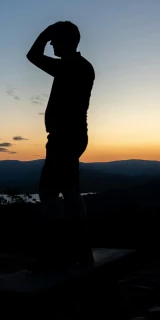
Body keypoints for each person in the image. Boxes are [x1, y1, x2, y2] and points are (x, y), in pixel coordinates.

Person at [26, 21, 95, 271]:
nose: (52, 44)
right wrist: (49, 34)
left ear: (66, 41)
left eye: (55, 40)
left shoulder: (71, 66)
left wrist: (44, 33)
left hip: (64, 137)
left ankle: (58, 253)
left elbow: (32, 55)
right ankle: (80, 249)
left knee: (49, 193)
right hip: (72, 135)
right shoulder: (80, 66)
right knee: (69, 192)